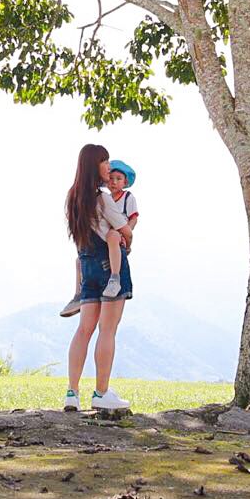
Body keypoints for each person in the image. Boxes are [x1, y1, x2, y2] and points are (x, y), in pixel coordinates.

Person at [61, 143, 132, 412]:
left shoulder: (73, 198)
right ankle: (101, 394)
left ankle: (72, 392)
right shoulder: (102, 198)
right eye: (105, 162)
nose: (109, 168)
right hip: (109, 263)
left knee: (83, 330)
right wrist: (129, 239)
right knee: (107, 330)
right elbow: (124, 229)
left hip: (87, 265)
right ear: (94, 166)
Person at [60, 158, 140, 316]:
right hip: (109, 236)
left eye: (119, 179)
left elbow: (133, 218)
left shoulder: (127, 198)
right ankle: (78, 293)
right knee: (79, 261)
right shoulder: (104, 198)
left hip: (117, 231)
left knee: (112, 237)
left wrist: (126, 235)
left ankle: (115, 277)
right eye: (112, 178)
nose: (114, 182)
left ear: (125, 182)